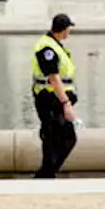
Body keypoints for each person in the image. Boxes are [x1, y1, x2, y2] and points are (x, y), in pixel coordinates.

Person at [31, 12, 78, 178]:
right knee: (65, 138)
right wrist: (66, 103)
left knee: (54, 138)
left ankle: (47, 173)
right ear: (64, 30)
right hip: (50, 99)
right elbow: (53, 78)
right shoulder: (47, 48)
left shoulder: (54, 45)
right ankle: (46, 173)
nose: (69, 32)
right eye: (68, 29)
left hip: (54, 98)